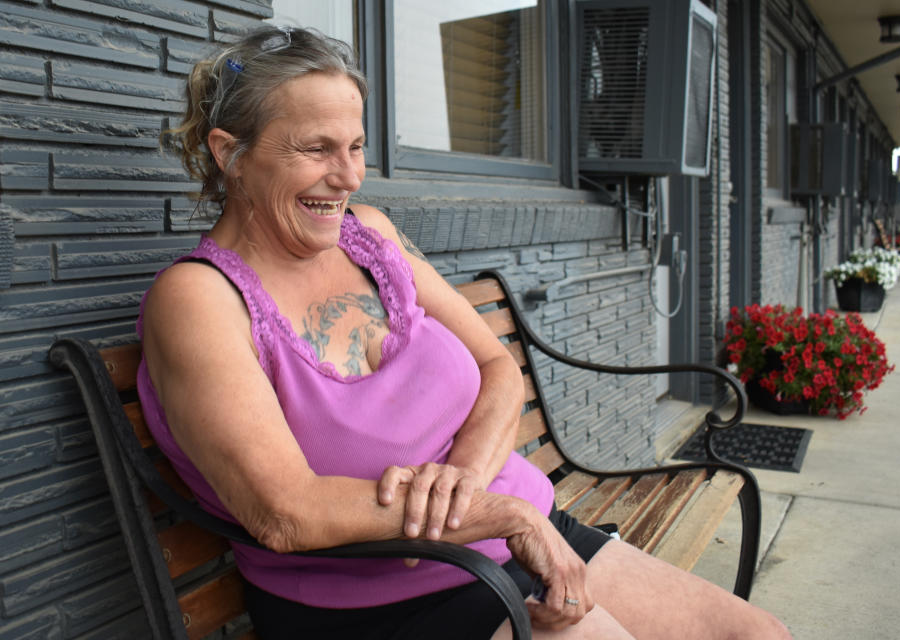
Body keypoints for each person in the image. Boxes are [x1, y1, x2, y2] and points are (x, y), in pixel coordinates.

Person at [139, 25, 792, 640]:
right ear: (232, 155)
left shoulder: (371, 236)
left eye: (357, 146)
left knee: (760, 633)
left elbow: (497, 366)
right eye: (316, 149)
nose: (348, 175)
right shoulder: (199, 301)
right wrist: (503, 515)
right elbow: (285, 512)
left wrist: (470, 483)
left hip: (506, 532)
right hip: (382, 597)